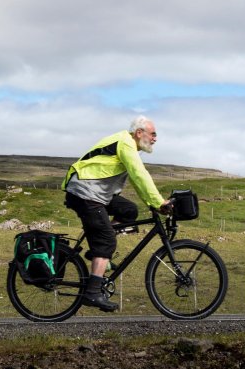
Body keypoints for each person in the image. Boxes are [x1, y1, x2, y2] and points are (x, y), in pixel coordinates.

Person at [62, 115, 172, 312]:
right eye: (153, 134)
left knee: (129, 211)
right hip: (85, 192)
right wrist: (159, 202)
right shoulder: (126, 143)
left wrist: (152, 204)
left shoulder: (128, 144)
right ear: (139, 133)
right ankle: (93, 292)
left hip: (96, 193)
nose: (156, 138)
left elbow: (137, 180)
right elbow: (140, 174)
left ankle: (97, 252)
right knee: (106, 241)